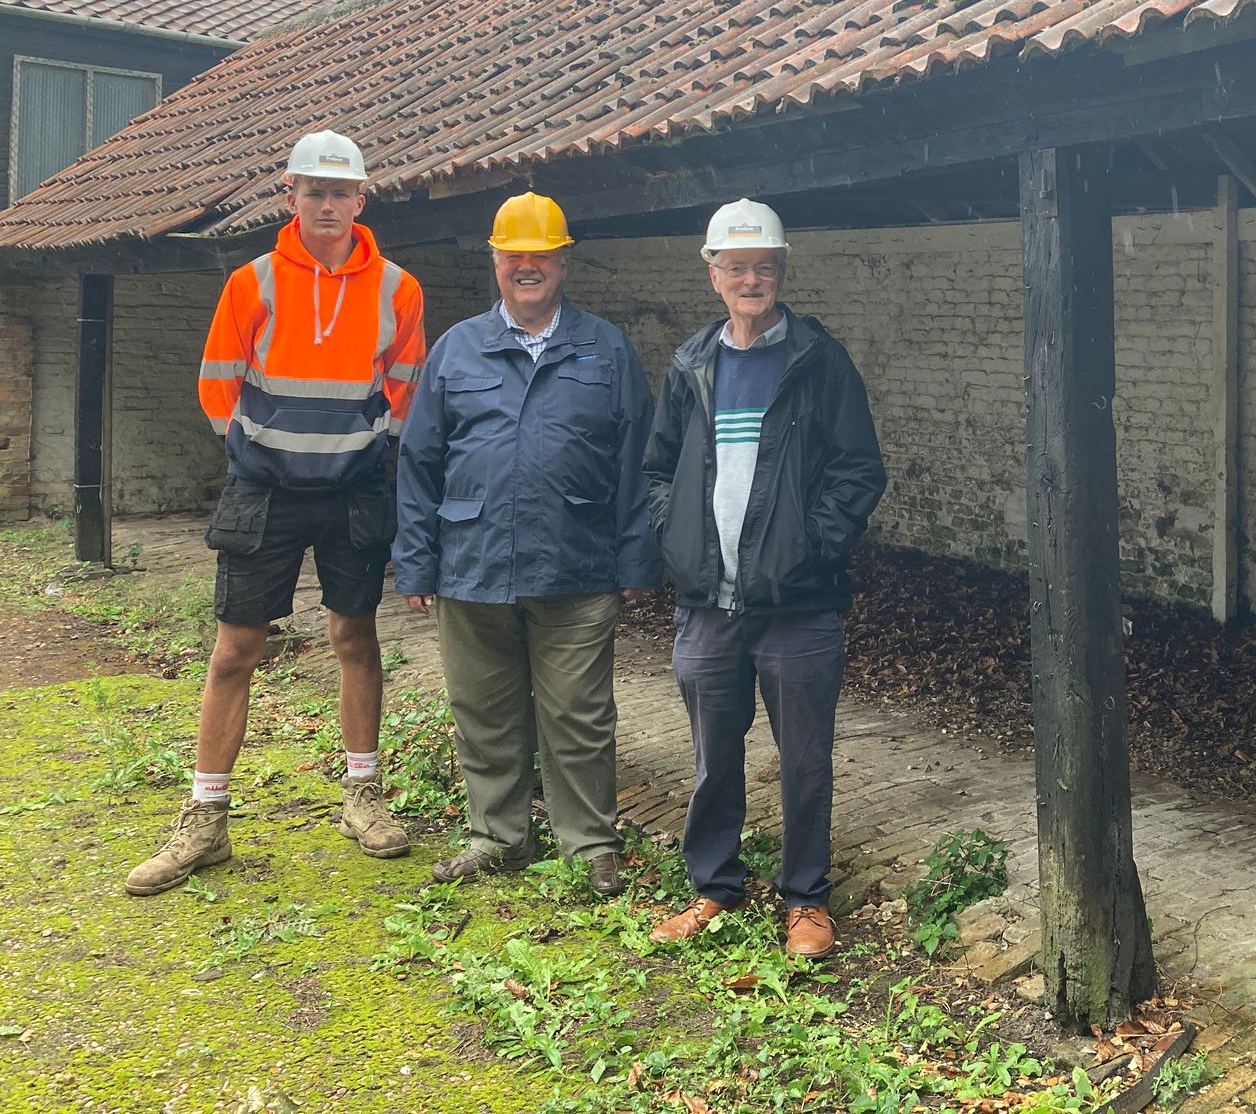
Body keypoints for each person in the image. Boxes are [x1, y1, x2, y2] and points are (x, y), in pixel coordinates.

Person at [125, 129, 424, 897]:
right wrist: (261, 452)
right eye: (313, 191)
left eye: (341, 192)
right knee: (234, 651)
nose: (327, 204)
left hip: (353, 492)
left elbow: (405, 390)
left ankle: (363, 795)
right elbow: (217, 381)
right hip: (265, 493)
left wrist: (358, 451)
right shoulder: (253, 281)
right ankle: (206, 818)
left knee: (355, 637)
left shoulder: (398, 289)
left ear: (362, 199)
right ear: (289, 196)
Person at [393, 192, 659, 898]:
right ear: (496, 261)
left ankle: (590, 843)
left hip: (576, 566)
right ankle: (496, 836)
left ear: (564, 260)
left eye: (541, 253)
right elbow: (420, 461)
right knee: (484, 712)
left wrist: (637, 558)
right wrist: (415, 559)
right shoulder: (456, 349)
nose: (527, 266)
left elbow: (638, 462)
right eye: (515, 254)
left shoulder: (606, 349)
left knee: (578, 714)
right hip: (470, 563)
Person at [642, 198, 886, 958]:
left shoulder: (818, 360)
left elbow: (858, 469)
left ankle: (806, 899)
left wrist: (811, 547)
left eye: (764, 267)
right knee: (715, 753)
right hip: (707, 601)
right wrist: (677, 539)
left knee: (805, 757)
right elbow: (657, 471)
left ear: (781, 271)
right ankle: (714, 885)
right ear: (714, 275)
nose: (751, 280)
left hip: (799, 602)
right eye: (736, 267)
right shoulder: (691, 364)